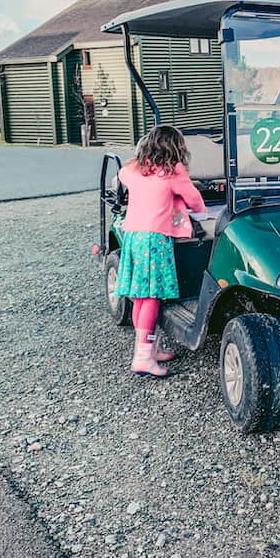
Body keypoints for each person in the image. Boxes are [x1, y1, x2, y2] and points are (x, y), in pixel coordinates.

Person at [115, 125, 206, 377]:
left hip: (133, 237)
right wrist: (201, 212)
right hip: (155, 239)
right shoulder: (173, 171)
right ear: (176, 148)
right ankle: (142, 358)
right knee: (153, 297)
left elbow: (122, 173)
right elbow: (195, 200)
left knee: (141, 297)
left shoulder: (135, 169)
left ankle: (148, 349)